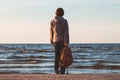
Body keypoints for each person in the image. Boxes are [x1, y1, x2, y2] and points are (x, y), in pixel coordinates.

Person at [50, 8, 69, 74]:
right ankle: (62, 71)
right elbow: (66, 32)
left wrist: (51, 40)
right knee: (63, 56)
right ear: (62, 13)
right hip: (62, 40)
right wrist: (66, 42)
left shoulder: (52, 21)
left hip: (55, 40)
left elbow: (51, 32)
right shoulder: (65, 21)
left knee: (56, 56)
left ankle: (56, 70)